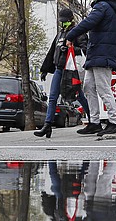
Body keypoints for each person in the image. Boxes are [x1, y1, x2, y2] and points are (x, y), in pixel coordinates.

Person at [66, 0, 116, 136]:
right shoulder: (109, 8)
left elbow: (88, 23)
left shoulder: (102, 6)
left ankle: (113, 122)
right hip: (97, 53)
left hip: (102, 53)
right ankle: (94, 122)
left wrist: (70, 35)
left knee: (103, 88)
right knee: (89, 87)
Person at [34, 8, 90, 138]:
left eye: (65, 21)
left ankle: (93, 119)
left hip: (70, 70)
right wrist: (45, 69)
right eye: (62, 21)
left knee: (78, 95)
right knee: (52, 97)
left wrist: (71, 48)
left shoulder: (78, 33)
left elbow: (84, 50)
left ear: (71, 20)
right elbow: (52, 51)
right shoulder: (60, 34)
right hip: (59, 69)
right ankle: (47, 126)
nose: (63, 23)